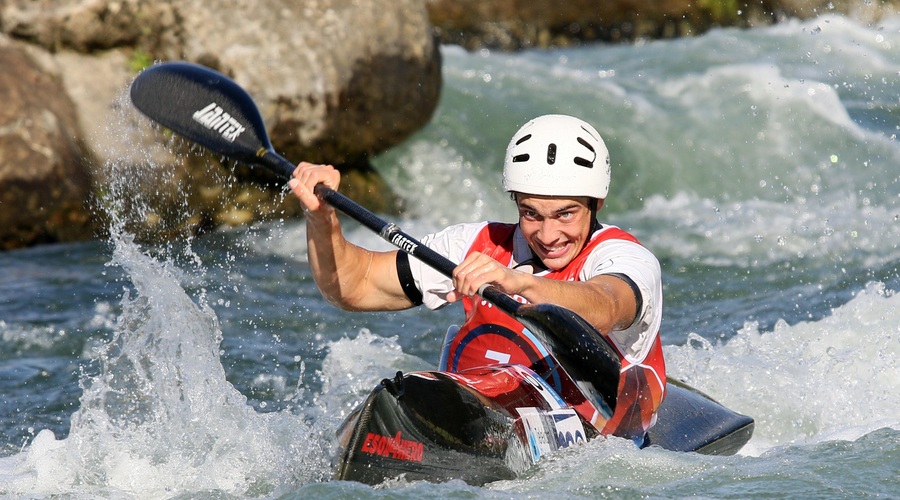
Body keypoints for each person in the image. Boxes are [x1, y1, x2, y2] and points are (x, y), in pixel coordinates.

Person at [289, 114, 666, 443]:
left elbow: (606, 304)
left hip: (594, 427)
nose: (548, 235)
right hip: (483, 411)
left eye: (565, 215)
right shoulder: (475, 244)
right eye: (531, 213)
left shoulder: (625, 258)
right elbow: (354, 287)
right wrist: (322, 220)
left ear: (595, 203)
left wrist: (522, 283)